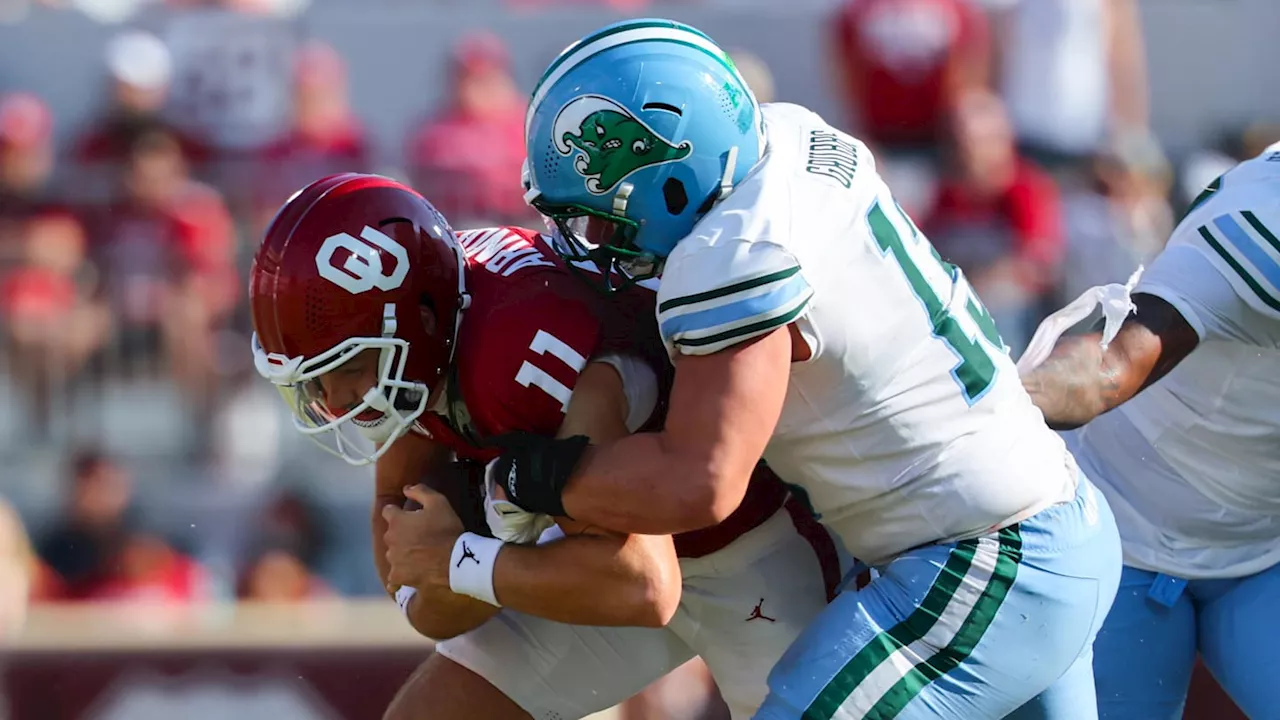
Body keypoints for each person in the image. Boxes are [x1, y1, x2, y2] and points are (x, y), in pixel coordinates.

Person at [503, 18, 1122, 719]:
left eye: (600, 217)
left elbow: (699, 483)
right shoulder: (788, 135)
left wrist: (531, 479)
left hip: (986, 561)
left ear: (671, 177)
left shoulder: (732, 255)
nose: (596, 242)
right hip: (1053, 517)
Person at [247, 173, 848, 720]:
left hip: (752, 548)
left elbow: (642, 583)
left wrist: (465, 560)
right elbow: (415, 591)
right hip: (595, 554)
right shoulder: (427, 323)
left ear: (421, 322)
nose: (333, 397)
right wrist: (465, 562)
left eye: (345, 365)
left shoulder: (517, 350)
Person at [1020, 144, 1280, 718]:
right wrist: (1003, 404)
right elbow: (1115, 363)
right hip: (1126, 537)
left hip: (1263, 552)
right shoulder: (1265, 220)